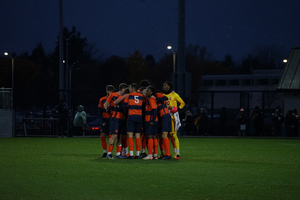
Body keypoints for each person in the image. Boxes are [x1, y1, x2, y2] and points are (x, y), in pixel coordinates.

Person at [119, 83, 144, 159]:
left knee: (130, 135)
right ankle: (137, 154)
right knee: (137, 135)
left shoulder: (128, 96)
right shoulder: (141, 96)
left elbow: (123, 107)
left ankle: (131, 154)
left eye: (130, 88)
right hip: (139, 116)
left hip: (131, 116)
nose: (129, 89)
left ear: (132, 89)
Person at [104, 83, 128, 159]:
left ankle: (118, 154)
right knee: (114, 135)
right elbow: (106, 104)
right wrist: (107, 110)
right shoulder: (113, 95)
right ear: (122, 89)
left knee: (120, 136)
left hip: (122, 118)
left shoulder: (125, 97)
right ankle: (109, 153)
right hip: (115, 117)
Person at [162, 81, 185, 159]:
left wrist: (178, 108)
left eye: (165, 85)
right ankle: (166, 153)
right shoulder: (162, 95)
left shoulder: (174, 95)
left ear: (169, 87)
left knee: (173, 135)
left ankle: (177, 153)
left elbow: (182, 103)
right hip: (164, 116)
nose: (163, 86)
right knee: (166, 135)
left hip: (172, 117)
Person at [98, 85, 115, 157]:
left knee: (111, 137)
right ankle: (104, 152)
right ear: (107, 91)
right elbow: (99, 110)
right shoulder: (102, 99)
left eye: (111, 91)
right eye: (109, 90)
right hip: (104, 119)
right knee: (102, 136)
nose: (110, 92)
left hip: (112, 119)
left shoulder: (114, 99)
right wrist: (102, 120)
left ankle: (109, 152)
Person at [143, 86, 159, 160]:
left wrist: (152, 121)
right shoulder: (151, 99)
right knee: (154, 136)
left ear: (151, 92)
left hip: (150, 120)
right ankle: (155, 154)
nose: (147, 92)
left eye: (148, 91)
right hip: (153, 120)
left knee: (149, 136)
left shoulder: (151, 99)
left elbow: (154, 110)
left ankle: (150, 155)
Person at [155, 91, 172, 159]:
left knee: (164, 135)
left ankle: (168, 154)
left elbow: (165, 98)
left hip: (165, 116)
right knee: (160, 136)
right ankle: (164, 153)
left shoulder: (157, 94)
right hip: (161, 118)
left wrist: (155, 98)